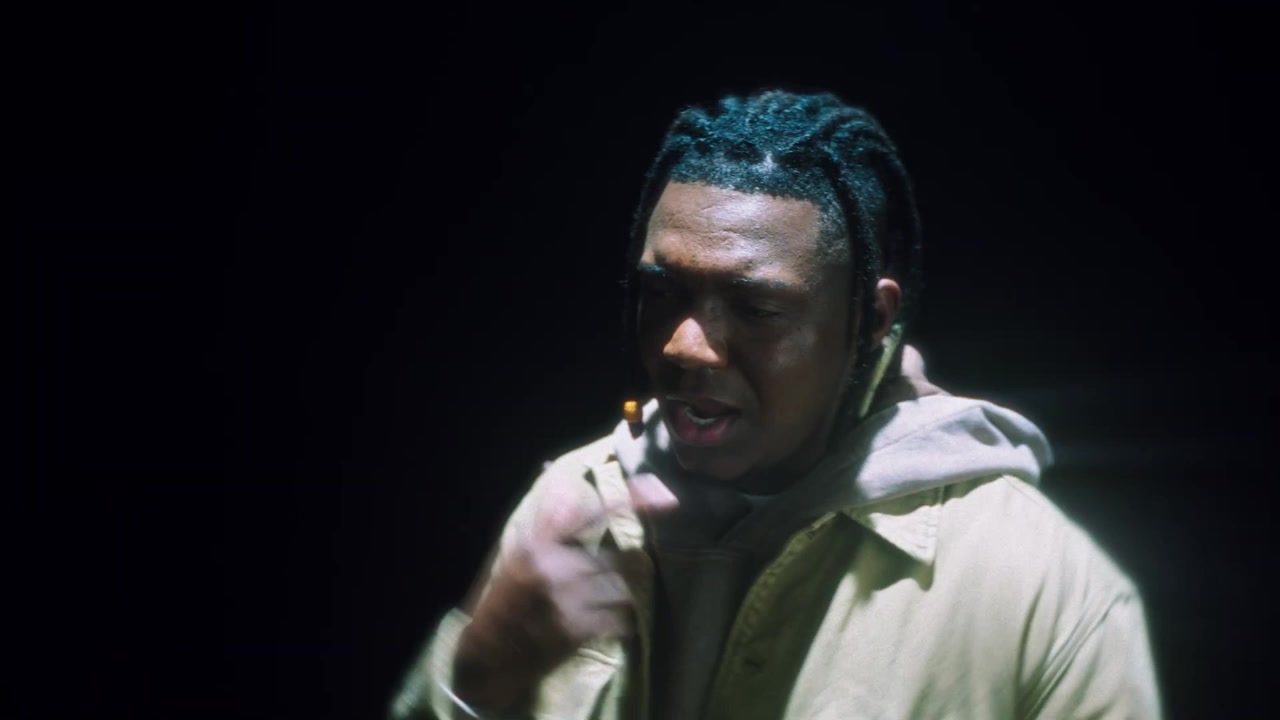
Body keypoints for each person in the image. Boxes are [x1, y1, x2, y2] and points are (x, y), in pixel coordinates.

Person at [388, 90, 1162, 719]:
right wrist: (473, 683)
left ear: (871, 320)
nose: (684, 346)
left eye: (756, 309)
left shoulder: (1041, 587)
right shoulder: (569, 513)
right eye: (662, 293)